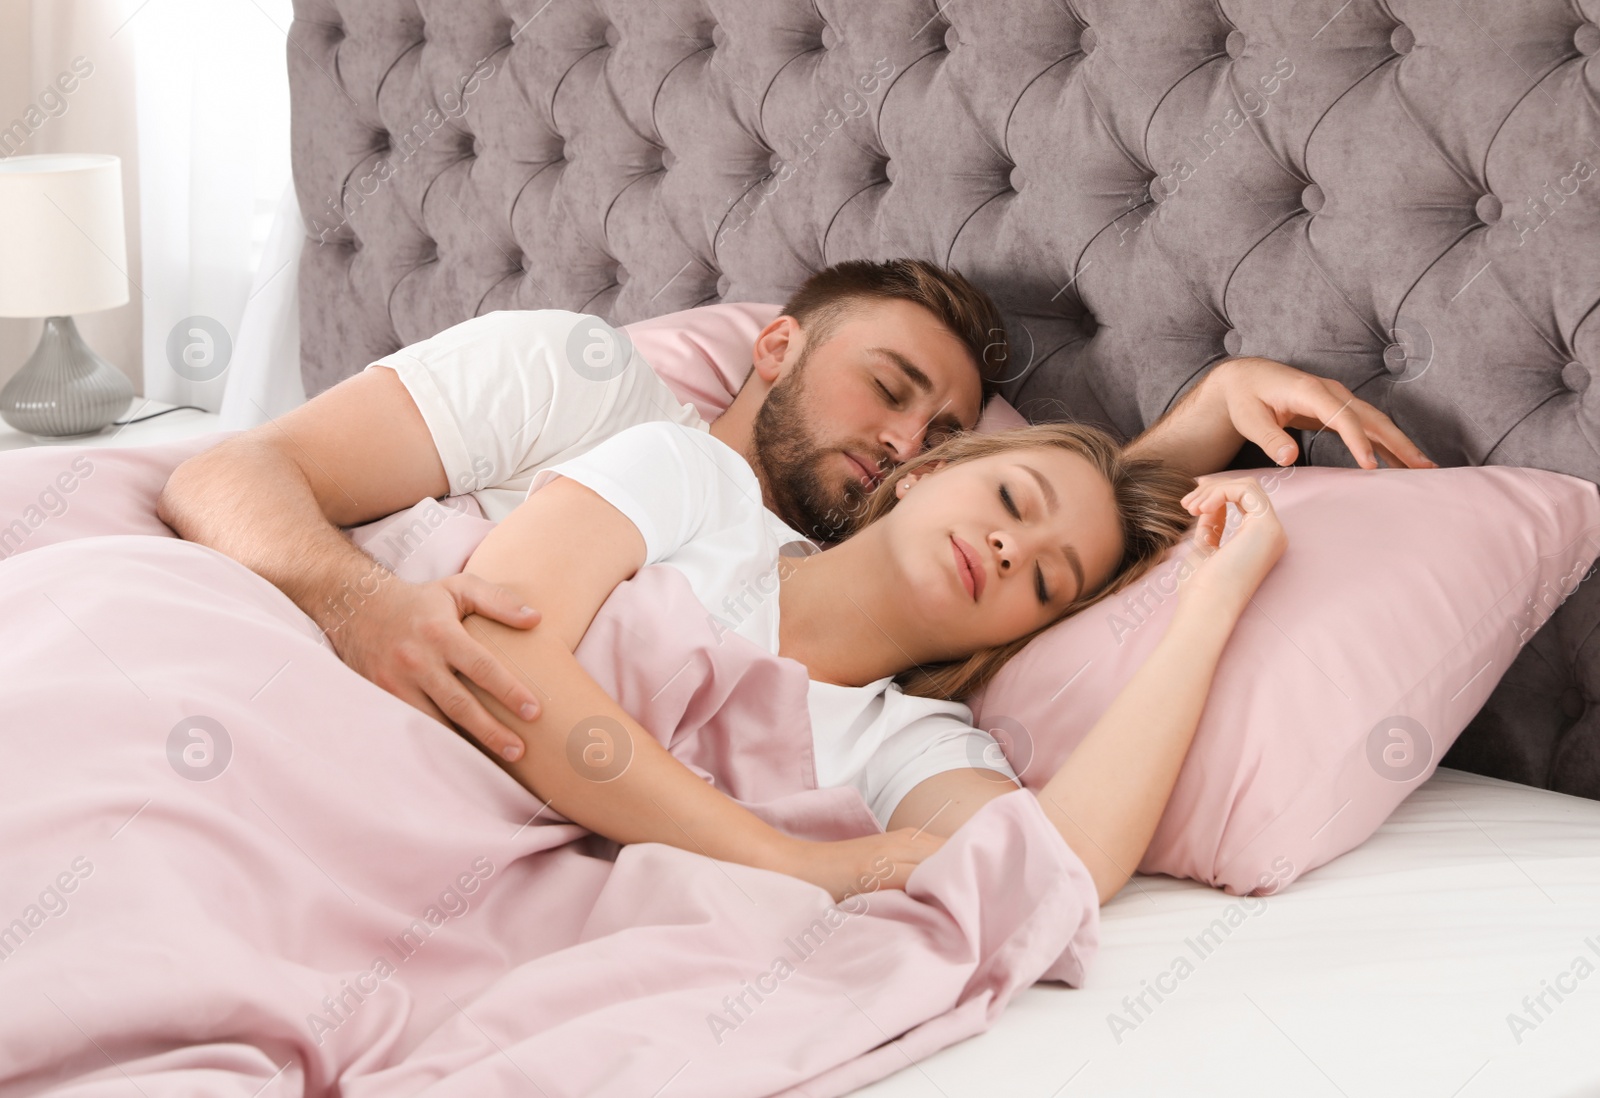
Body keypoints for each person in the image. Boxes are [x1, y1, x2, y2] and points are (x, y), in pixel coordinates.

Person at [157, 259, 1433, 764]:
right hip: (265, 665)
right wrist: (361, 606)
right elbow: (226, 472)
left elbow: (1036, 530)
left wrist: (1205, 414)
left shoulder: (811, 605)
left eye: (939, 436)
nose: (898, 447)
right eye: (886, 389)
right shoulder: (580, 383)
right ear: (769, 346)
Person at [450, 411, 1281, 904]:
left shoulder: (910, 745)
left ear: (1017, 638)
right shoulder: (696, 482)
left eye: (1044, 580)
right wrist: (793, 862)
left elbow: (1054, 874)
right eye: (1010, 501)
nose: (1007, 547)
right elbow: (489, 643)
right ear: (924, 471)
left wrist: (1207, 610)